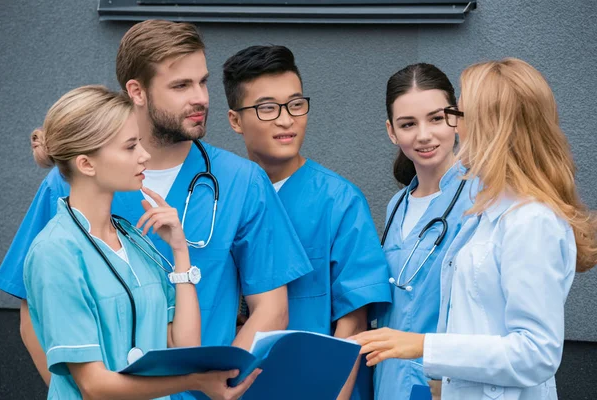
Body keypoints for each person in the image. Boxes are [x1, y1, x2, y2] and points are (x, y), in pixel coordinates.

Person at [0, 20, 312, 391]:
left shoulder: (243, 182)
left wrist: (214, 387)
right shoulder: (72, 182)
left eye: (203, 82)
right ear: (137, 91)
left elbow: (271, 310)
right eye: (181, 85)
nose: (201, 98)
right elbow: (33, 315)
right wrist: (81, 391)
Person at [353, 58, 597, 399]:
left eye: (453, 114)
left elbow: (536, 351)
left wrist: (429, 350)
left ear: (490, 124)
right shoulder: (493, 210)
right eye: (409, 123)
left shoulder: (530, 220)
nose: (450, 124)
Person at [24, 85, 259, 399]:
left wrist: (180, 251)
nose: (144, 156)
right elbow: (93, 386)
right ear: (86, 164)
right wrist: (195, 382)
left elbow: (183, 344)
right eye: (130, 146)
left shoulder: (134, 241)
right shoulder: (55, 253)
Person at [222, 45, 392, 400]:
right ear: (235, 120)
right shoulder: (222, 198)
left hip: (316, 388)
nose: (286, 120)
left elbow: (353, 322)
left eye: (296, 104)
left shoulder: (339, 200)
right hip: (233, 386)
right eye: (268, 108)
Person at [370, 63, 476, 400]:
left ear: (456, 117)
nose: (424, 135)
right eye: (408, 124)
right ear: (391, 131)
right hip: (388, 379)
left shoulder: (482, 200)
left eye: (436, 118)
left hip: (446, 383)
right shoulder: (397, 204)